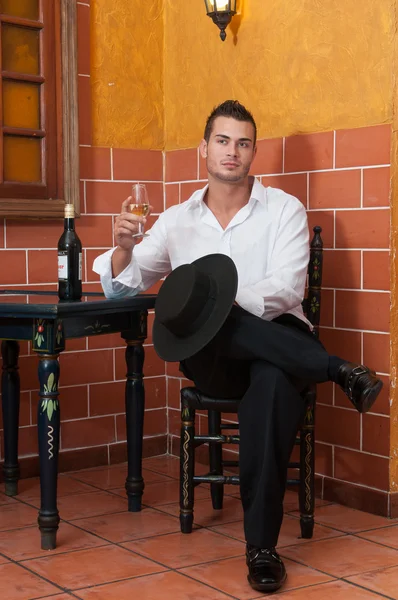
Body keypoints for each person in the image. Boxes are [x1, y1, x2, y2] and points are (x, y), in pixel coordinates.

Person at [93, 100, 383, 594]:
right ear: (204, 148)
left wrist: (218, 303)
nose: (233, 151)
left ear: (254, 152)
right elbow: (121, 287)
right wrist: (121, 248)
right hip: (215, 359)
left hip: (279, 342)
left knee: (269, 378)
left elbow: (288, 291)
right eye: (223, 141)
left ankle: (261, 549)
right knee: (213, 314)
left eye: (243, 143)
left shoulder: (284, 209)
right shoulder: (175, 219)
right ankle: (336, 370)